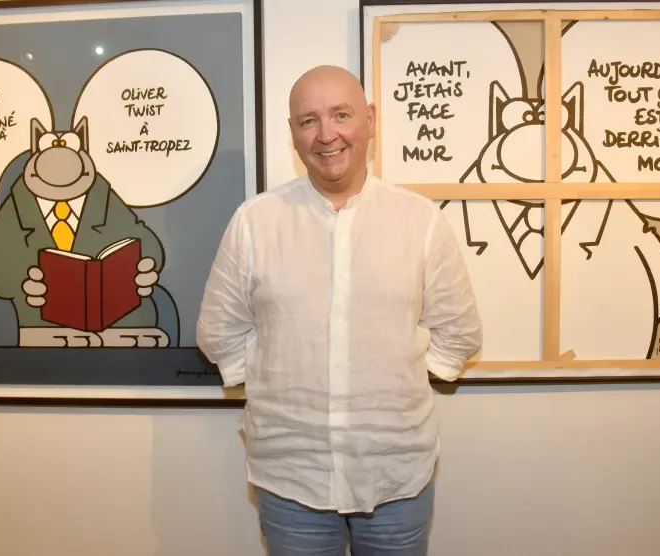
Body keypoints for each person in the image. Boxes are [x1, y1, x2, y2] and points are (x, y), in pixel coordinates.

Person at [196, 64, 482, 555]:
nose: (326, 134)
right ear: (292, 133)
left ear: (370, 119)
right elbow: (218, 332)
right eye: (308, 120)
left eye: (341, 115)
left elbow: (459, 331)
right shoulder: (255, 223)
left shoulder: (421, 221)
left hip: (397, 472)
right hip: (291, 474)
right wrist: (277, 377)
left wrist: (393, 379)